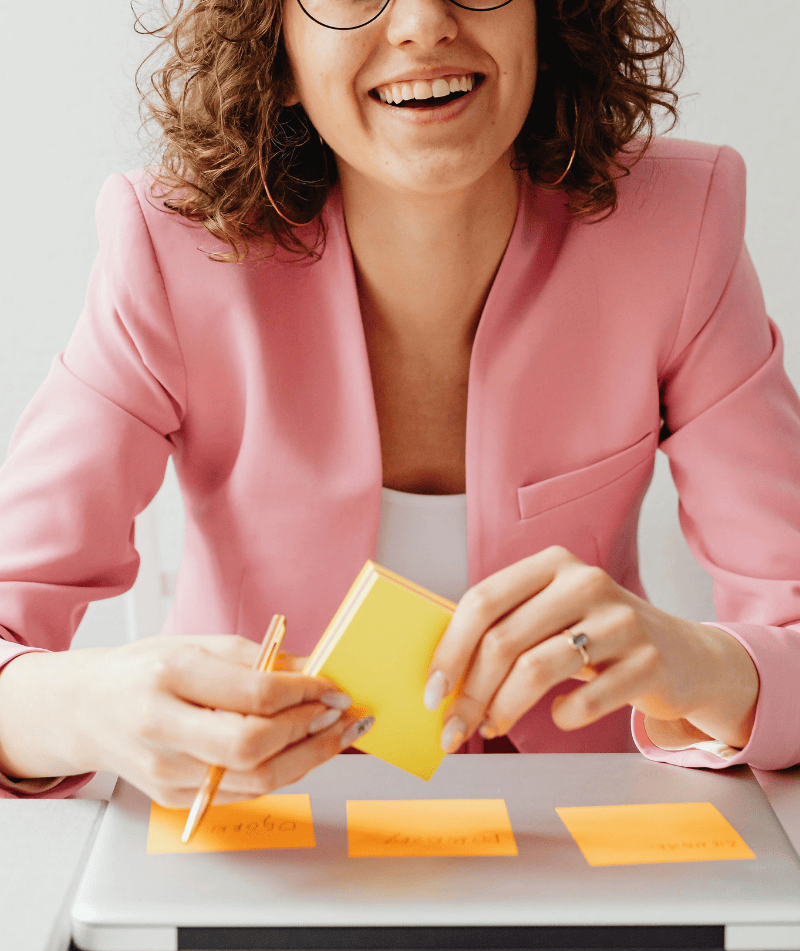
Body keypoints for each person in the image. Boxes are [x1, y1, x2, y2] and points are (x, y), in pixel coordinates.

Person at [0, 0, 799, 805]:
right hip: (261, 835)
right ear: (275, 47)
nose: (423, 22)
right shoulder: (171, 252)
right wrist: (91, 709)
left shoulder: (677, 229)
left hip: (585, 828)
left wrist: (709, 666)